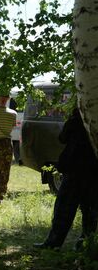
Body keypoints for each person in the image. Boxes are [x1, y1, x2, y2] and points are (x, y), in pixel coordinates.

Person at [34, 107, 98, 250]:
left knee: (64, 208)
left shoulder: (76, 119)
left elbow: (62, 138)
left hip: (75, 169)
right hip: (93, 169)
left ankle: (54, 242)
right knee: (89, 209)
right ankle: (85, 243)